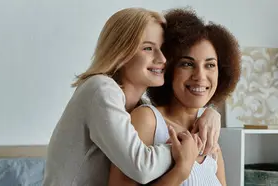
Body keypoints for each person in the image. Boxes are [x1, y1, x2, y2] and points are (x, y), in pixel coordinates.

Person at [42, 8, 223, 186]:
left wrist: (210, 113)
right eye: (148, 48)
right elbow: (141, 167)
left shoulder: (137, 107)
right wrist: (186, 149)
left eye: (162, 49)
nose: (162, 59)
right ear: (122, 53)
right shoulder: (100, 89)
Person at [107, 8, 241, 186]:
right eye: (187, 64)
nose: (200, 76)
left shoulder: (210, 138)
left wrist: (211, 112)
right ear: (168, 69)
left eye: (210, 65)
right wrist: (181, 171)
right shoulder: (148, 121)